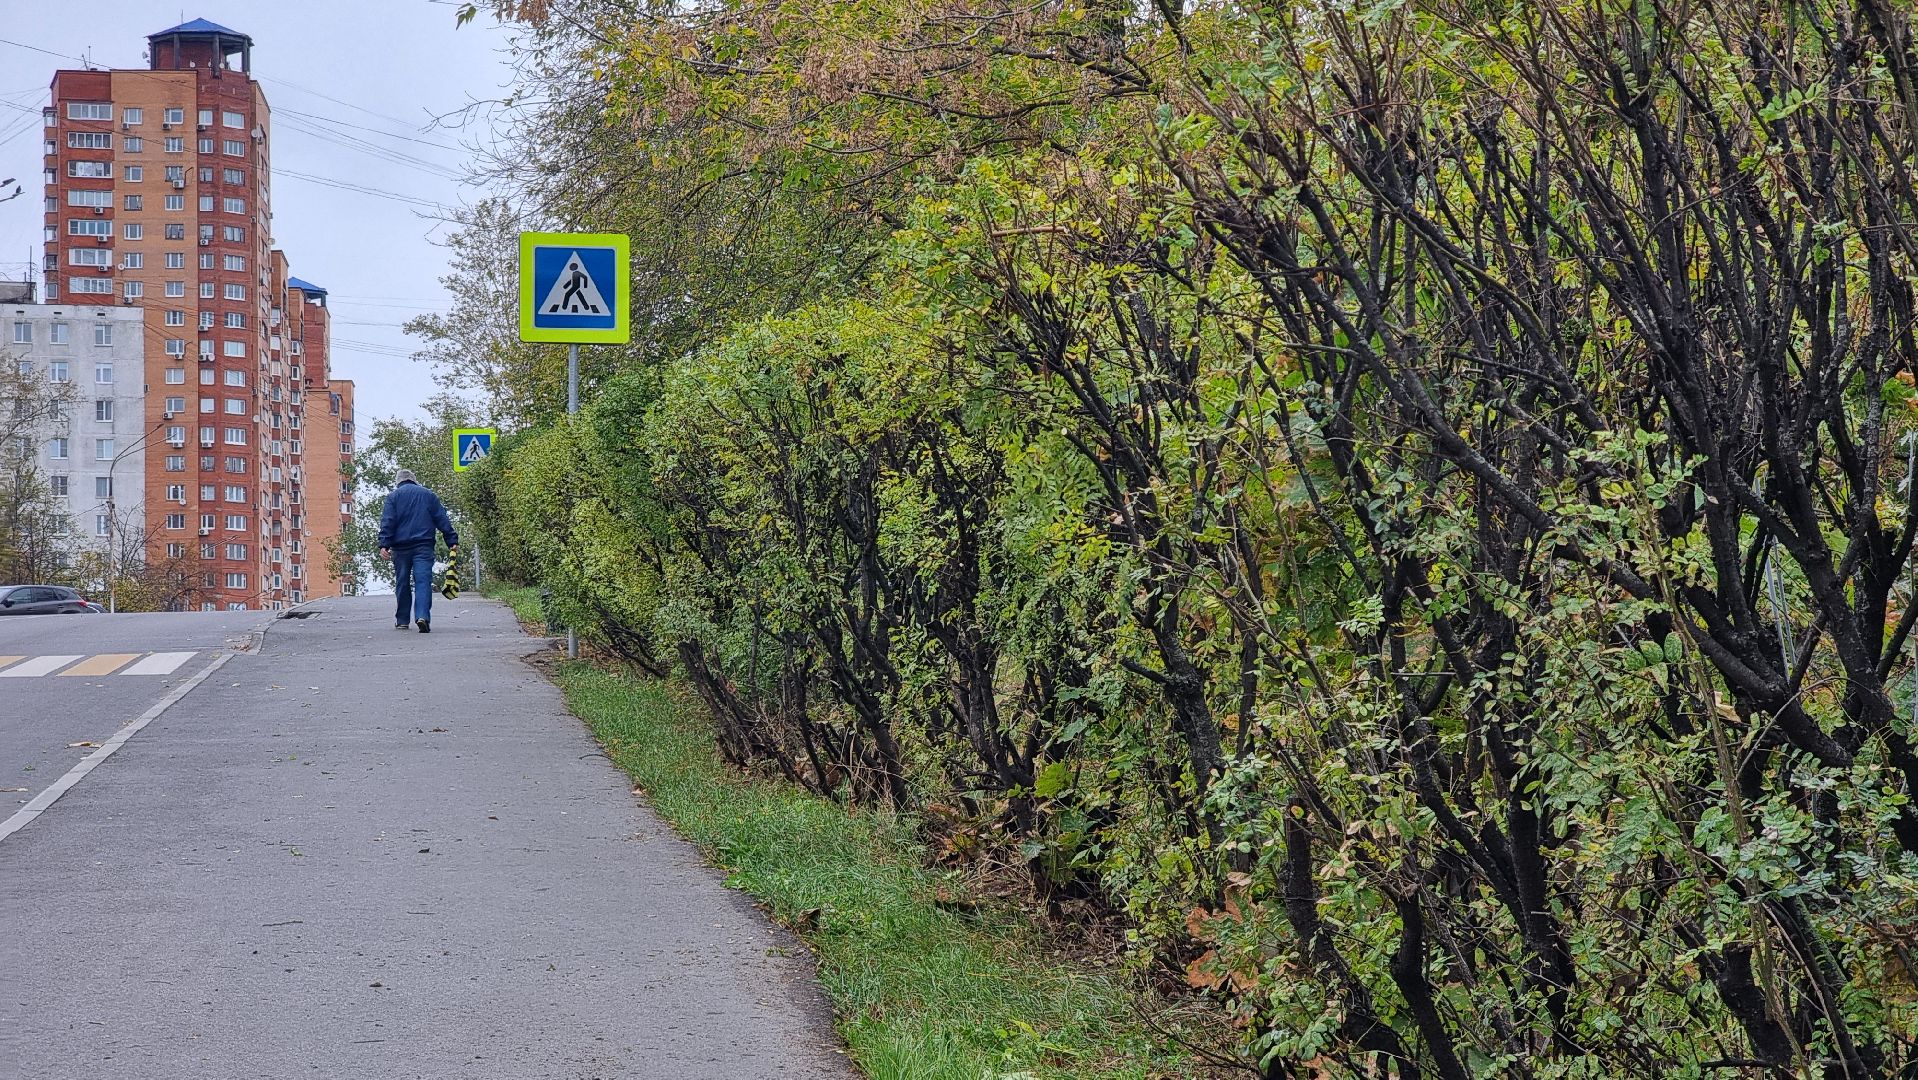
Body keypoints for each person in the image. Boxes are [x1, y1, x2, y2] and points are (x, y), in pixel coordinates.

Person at [377, 469, 459, 633]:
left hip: (400, 548)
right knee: (423, 581)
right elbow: (441, 518)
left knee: (402, 582)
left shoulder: (393, 497)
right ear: (414, 480)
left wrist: (384, 545)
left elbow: (388, 521)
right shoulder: (428, 495)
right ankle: (422, 616)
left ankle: (402, 620)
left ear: (398, 482)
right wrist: (451, 540)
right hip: (423, 546)